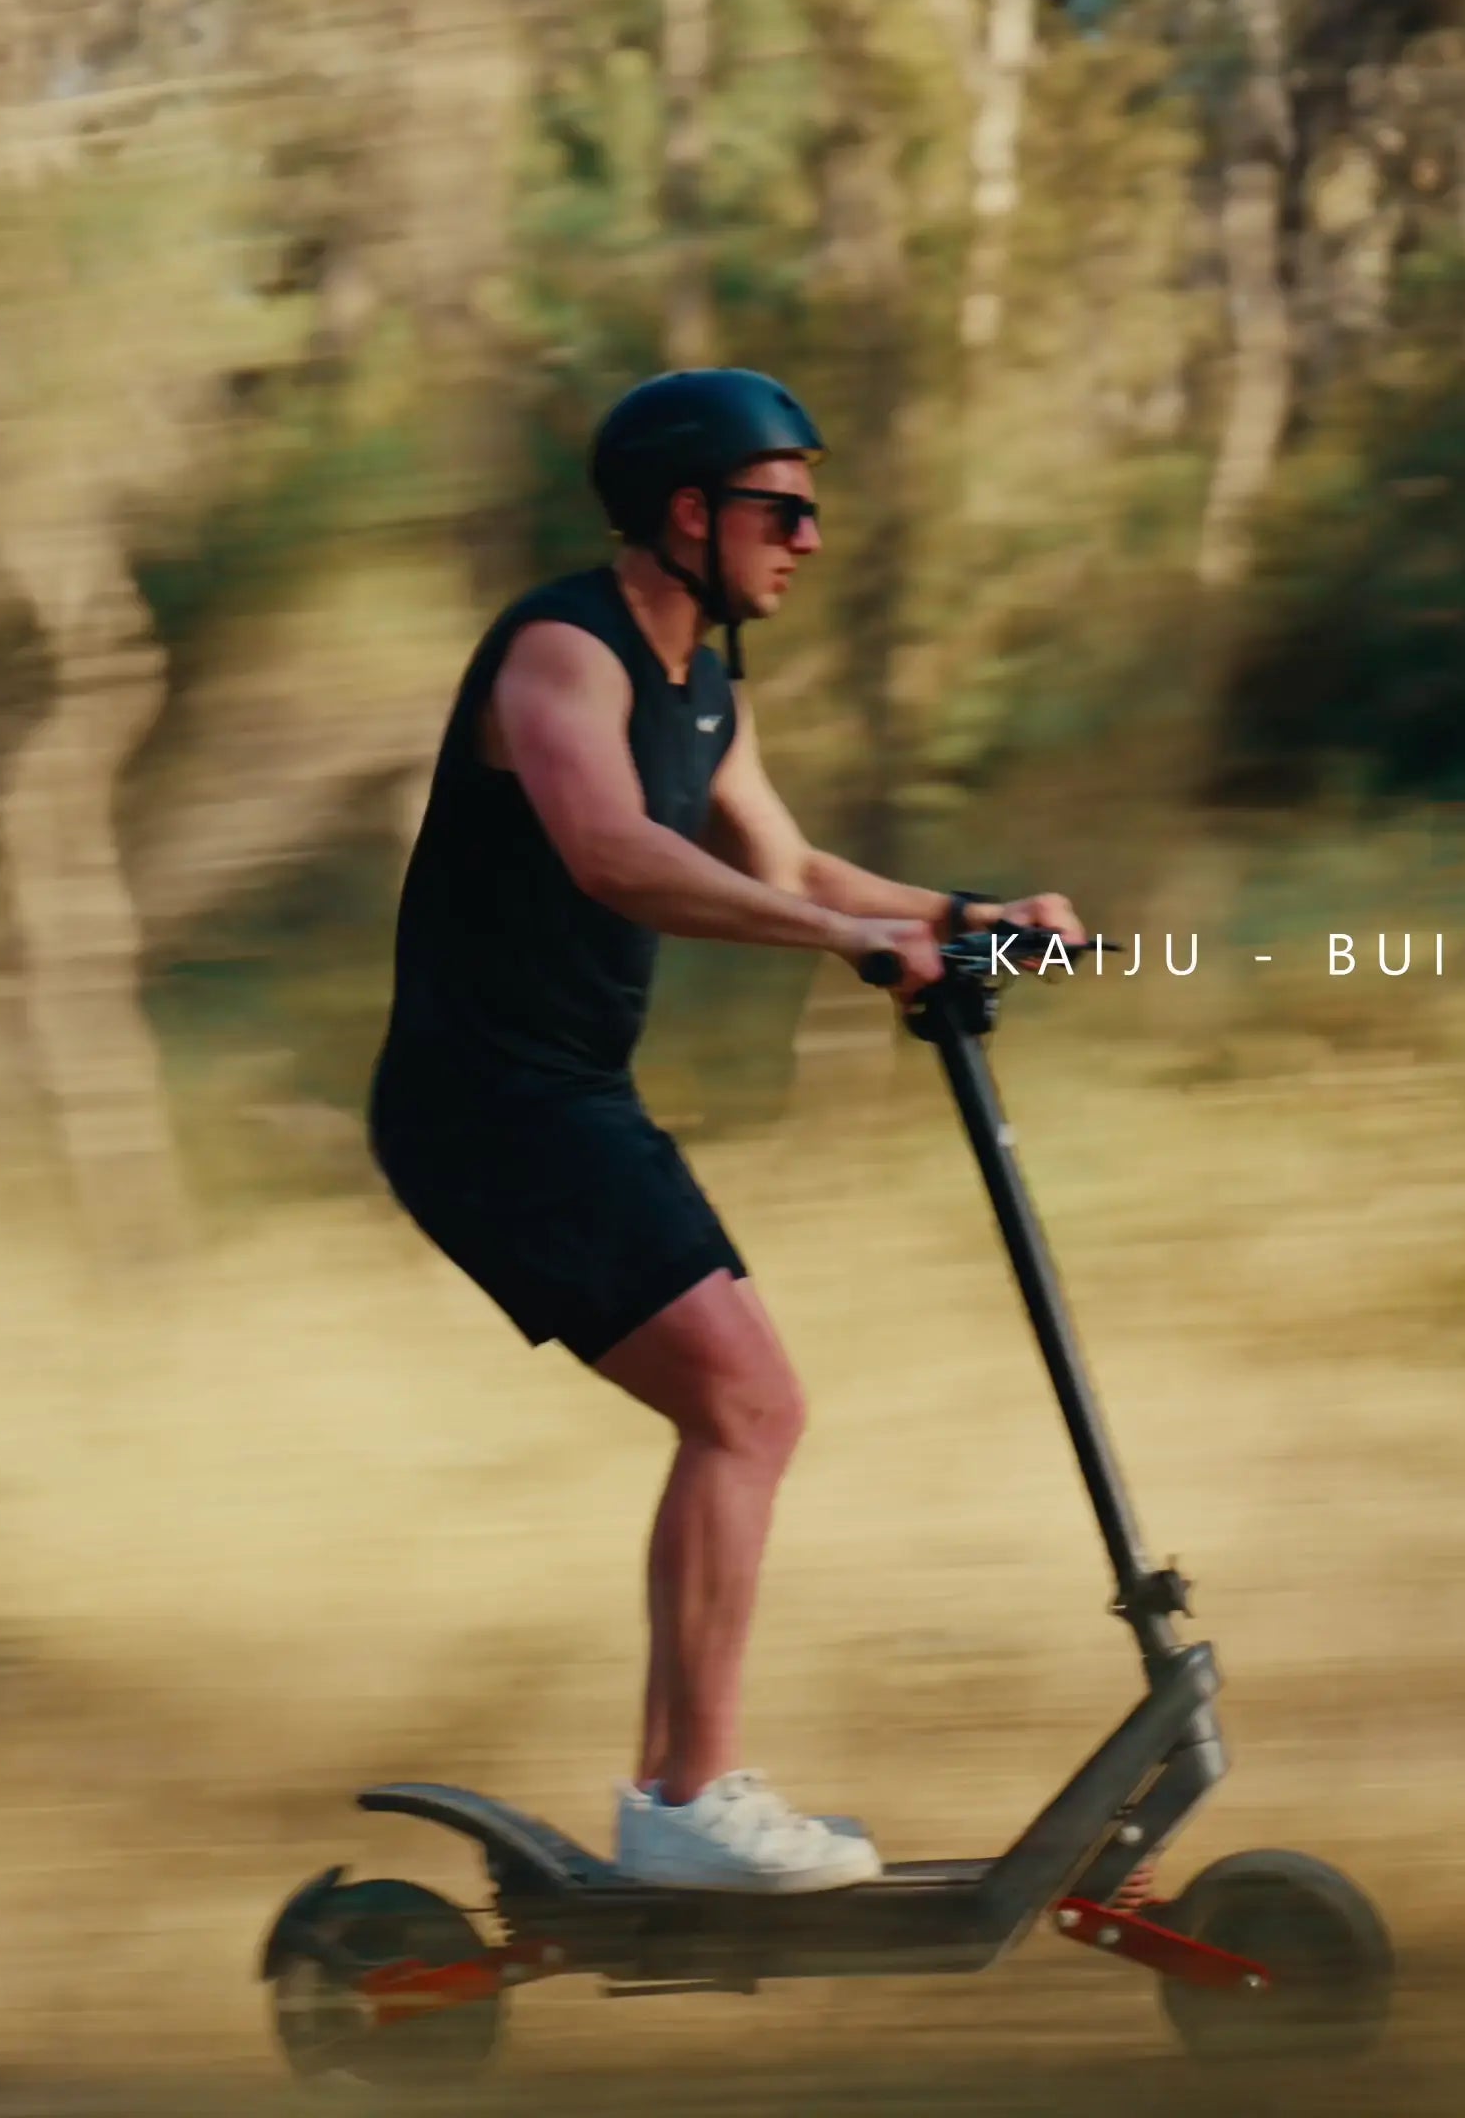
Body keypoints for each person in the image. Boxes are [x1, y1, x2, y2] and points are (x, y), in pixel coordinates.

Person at [364, 368, 1085, 1894]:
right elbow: (616, 854)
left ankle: (673, 1806)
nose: (810, 536)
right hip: (486, 1109)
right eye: (784, 505)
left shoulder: (709, 688)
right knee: (748, 1408)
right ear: (688, 513)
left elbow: (793, 858)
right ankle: (688, 1806)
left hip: (566, 1103)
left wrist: (973, 916)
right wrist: (842, 944)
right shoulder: (564, 651)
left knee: (744, 1410)